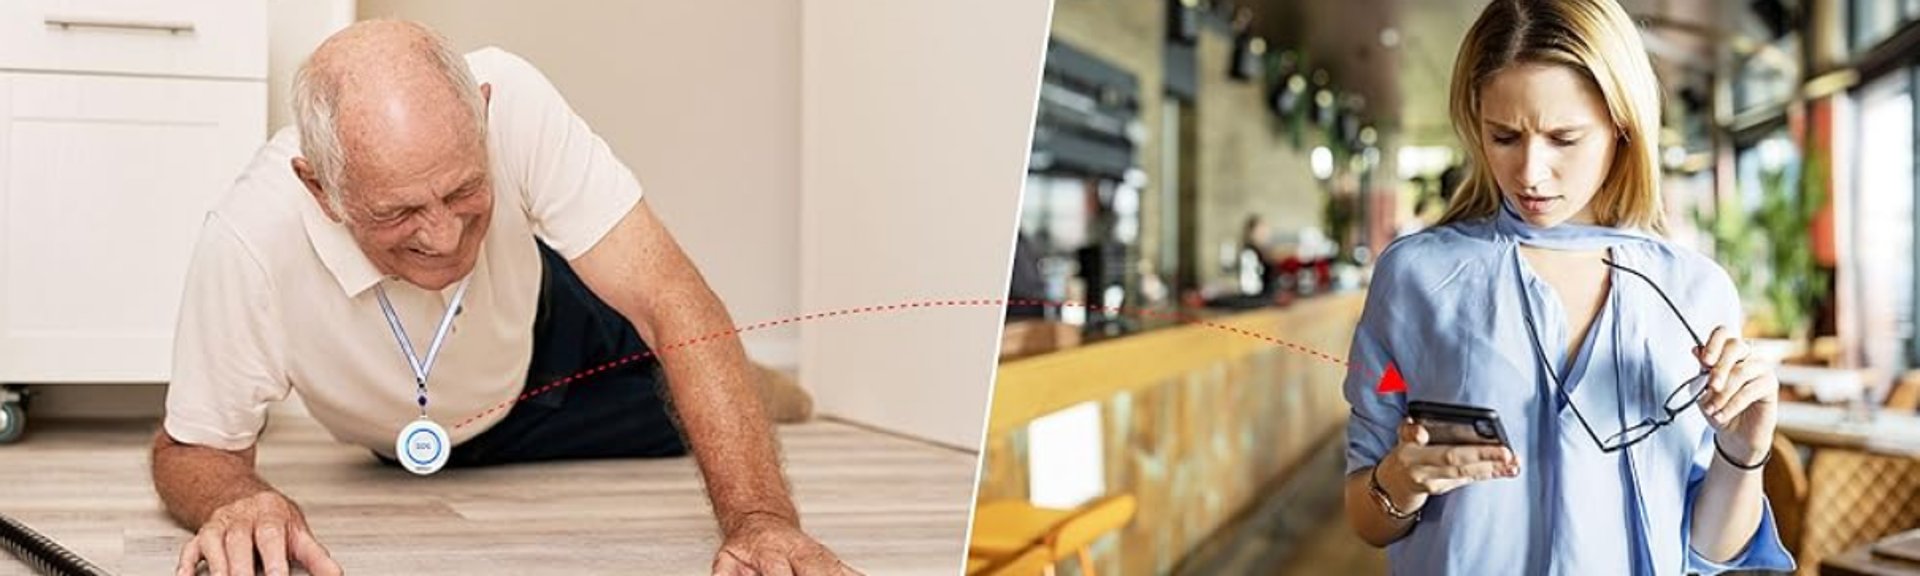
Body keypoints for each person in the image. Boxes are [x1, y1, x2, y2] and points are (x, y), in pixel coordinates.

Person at [151, 21, 854, 576]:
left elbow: (671, 297)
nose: (446, 235)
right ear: (319, 189)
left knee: (676, 374)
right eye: (399, 213)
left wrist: (762, 519)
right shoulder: (248, 241)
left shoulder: (513, 97)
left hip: (551, 320)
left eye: (463, 191)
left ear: (482, 115)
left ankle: (747, 382)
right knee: (663, 425)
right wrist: (240, 500)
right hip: (428, 440)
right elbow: (190, 449)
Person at [1339, 0, 1797, 574]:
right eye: (1504, 136)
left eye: (1564, 138)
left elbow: (1712, 554)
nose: (1530, 173)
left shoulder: (1696, 291)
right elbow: (1366, 518)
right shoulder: (1417, 276)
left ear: (1621, 127)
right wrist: (1402, 478)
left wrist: (1745, 453)